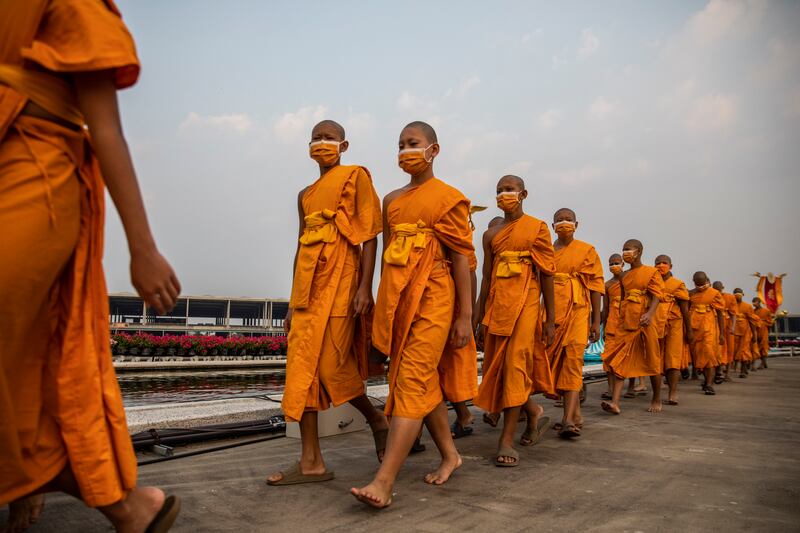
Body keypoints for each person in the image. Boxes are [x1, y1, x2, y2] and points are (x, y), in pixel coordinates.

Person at [0, 1, 181, 530]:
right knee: (23, 352)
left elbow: (106, 129)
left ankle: (112, 499)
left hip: (34, 177)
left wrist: (142, 247)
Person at [351, 121, 473, 508]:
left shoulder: (449, 197)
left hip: (436, 298)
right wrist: (378, 304)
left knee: (411, 381)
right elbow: (390, 258)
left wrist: (465, 315)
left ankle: (384, 482)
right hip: (399, 301)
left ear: (433, 150)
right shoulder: (391, 200)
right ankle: (451, 454)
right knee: (421, 382)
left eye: (413, 144)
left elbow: (461, 259)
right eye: (400, 144)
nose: (405, 150)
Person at [267, 120, 389, 486]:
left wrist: (365, 287)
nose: (322, 143)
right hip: (306, 292)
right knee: (302, 374)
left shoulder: (355, 177)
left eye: (329, 138)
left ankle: (376, 418)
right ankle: (311, 462)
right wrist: (291, 303)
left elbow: (370, 236)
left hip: (341, 284)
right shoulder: (305, 194)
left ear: (344, 145)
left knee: (332, 371)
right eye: (316, 138)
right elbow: (300, 246)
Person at [473, 175, 556, 465]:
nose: (503, 194)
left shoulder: (537, 228)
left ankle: (506, 440)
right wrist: (478, 315)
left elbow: (547, 273)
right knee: (500, 368)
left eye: (508, 189)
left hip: (527, 303)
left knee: (515, 366)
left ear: (523, 193)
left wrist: (550, 320)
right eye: (499, 190)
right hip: (498, 306)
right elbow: (485, 277)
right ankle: (532, 411)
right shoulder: (490, 235)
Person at [546, 209, 604, 437]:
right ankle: (576, 414)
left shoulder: (587, 251)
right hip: (551, 314)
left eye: (568, 220)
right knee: (555, 365)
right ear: (553, 226)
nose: (564, 223)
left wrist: (596, 321)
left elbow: (596, 286)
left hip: (578, 311)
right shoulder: (547, 252)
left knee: (572, 363)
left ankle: (568, 419)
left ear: (577, 224)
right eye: (559, 220)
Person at [600, 240, 665, 414]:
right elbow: (622, 299)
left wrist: (650, 314)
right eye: (623, 250)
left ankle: (657, 398)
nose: (624, 253)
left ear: (639, 251)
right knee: (620, 360)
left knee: (652, 361)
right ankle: (615, 402)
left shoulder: (651, 272)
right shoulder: (624, 276)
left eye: (628, 249)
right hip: (627, 321)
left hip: (644, 321)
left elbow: (657, 296)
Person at [653, 256, 693, 405]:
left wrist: (689, 330)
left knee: (673, 358)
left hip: (674, 325)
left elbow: (685, 309)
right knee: (655, 359)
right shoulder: (652, 282)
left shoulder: (678, 284)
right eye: (658, 263)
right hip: (655, 324)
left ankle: (673, 392)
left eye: (664, 263)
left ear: (671, 266)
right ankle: (656, 393)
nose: (661, 265)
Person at [688, 273, 725, 395]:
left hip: (710, 329)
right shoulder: (690, 294)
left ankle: (709, 384)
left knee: (709, 355)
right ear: (693, 282)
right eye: (698, 284)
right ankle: (706, 380)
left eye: (703, 284)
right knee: (698, 357)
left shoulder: (714, 294)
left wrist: (721, 333)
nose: (701, 287)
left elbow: (720, 314)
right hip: (694, 329)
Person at [600, 254, 623, 401]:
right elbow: (606, 308)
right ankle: (610, 388)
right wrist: (603, 327)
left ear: (622, 264)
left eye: (616, 263)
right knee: (608, 359)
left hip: (627, 325)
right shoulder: (607, 285)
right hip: (611, 325)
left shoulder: (629, 281)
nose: (614, 266)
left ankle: (633, 386)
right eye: (611, 263)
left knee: (625, 359)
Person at [713, 281, 738, 381]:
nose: (718, 291)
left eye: (719, 289)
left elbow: (733, 314)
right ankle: (717, 372)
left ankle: (727, 373)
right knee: (717, 349)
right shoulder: (711, 295)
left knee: (730, 349)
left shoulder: (730, 297)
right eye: (716, 289)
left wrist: (733, 327)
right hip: (715, 326)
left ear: (723, 287)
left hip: (727, 327)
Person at [732, 289, 760, 378]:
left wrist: (754, 334)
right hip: (733, 332)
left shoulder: (747, 306)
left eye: (739, 294)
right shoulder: (731, 305)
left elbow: (752, 321)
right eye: (736, 294)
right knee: (735, 351)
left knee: (744, 351)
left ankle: (743, 371)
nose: (737, 296)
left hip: (745, 332)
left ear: (743, 294)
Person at [752, 298, 773, 370]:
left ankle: (762, 364)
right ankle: (763, 362)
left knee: (764, 347)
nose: (754, 304)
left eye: (755, 302)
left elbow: (770, 323)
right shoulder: (753, 311)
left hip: (764, 330)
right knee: (755, 347)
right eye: (753, 302)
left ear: (759, 302)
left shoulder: (766, 311)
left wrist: (768, 332)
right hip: (755, 331)